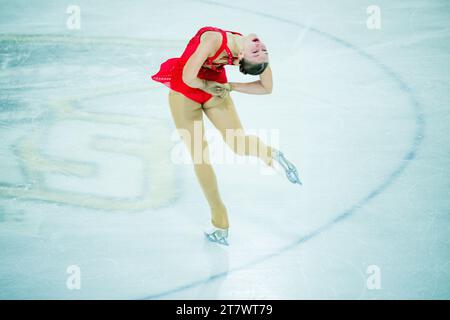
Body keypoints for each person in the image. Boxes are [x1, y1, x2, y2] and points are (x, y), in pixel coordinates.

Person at [151, 26, 301, 245]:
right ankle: (269, 153)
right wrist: (221, 86)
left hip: (186, 93)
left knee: (202, 157)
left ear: (240, 58)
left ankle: (220, 224)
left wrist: (230, 86)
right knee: (231, 146)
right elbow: (264, 86)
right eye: (261, 50)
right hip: (205, 89)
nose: (261, 48)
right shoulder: (226, 45)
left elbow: (188, 77)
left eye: (258, 52)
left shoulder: (215, 40)